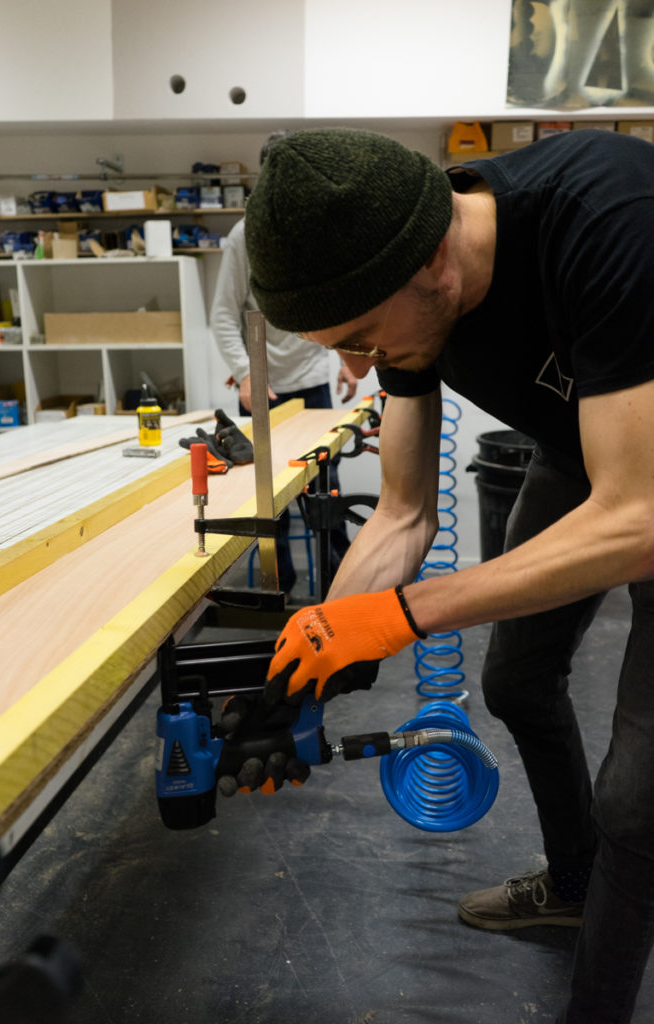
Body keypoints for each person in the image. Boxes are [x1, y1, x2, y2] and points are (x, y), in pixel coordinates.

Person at [235, 126, 654, 1024]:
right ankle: (573, 885)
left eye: (359, 338)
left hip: (645, 493)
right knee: (515, 682)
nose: (355, 368)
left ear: (434, 257)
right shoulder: (406, 287)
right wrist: (306, 670)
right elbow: (400, 514)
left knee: (638, 800)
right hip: (585, 451)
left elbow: (637, 520)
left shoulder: (610, 218)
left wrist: (402, 615)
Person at [211, 131, 357, 591]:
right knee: (266, 499)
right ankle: (279, 587)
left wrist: (349, 357)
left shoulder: (318, 228)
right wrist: (245, 373)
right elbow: (222, 315)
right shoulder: (244, 236)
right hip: (263, 388)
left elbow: (338, 303)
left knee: (325, 492)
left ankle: (341, 583)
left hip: (312, 381)